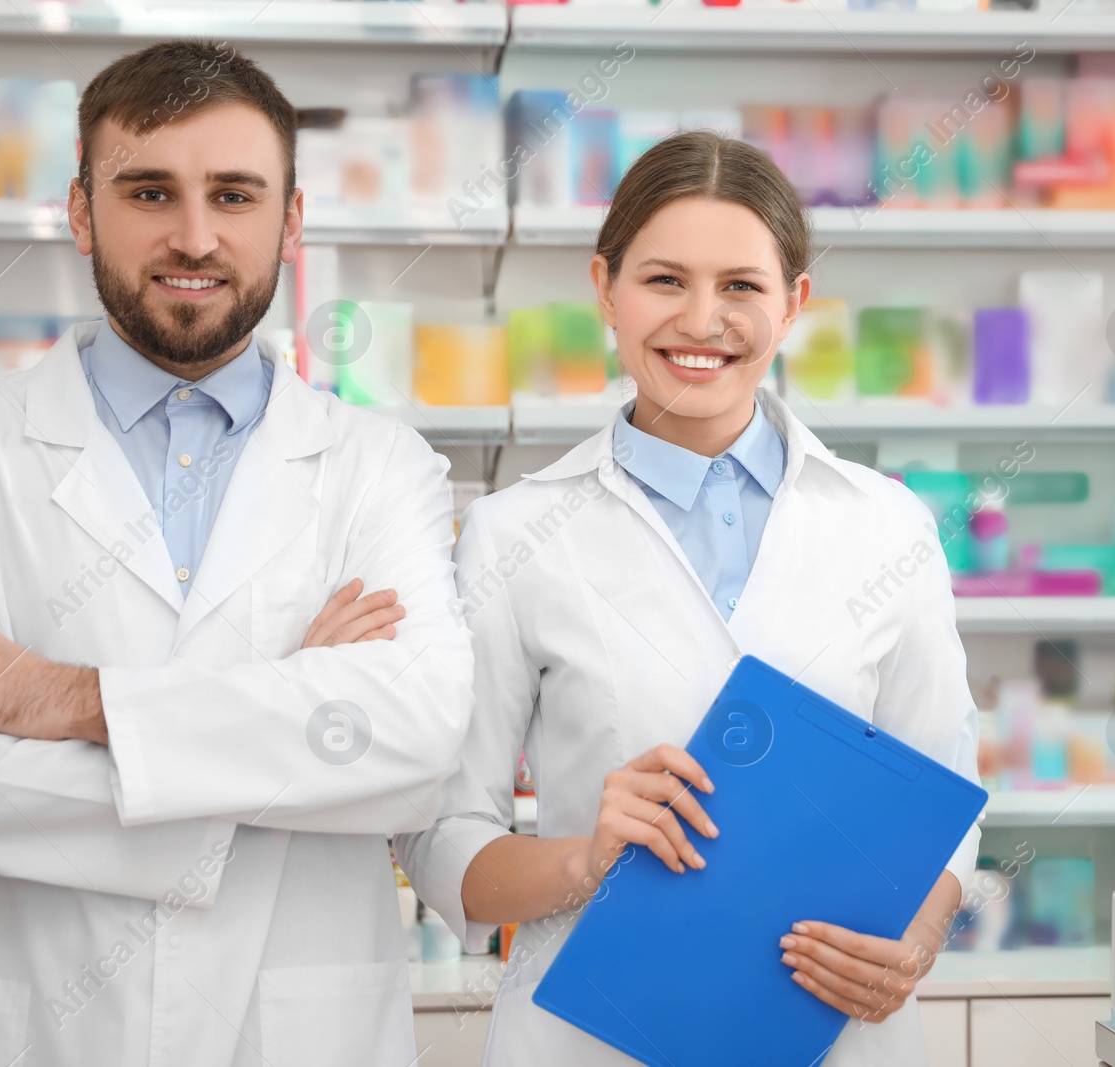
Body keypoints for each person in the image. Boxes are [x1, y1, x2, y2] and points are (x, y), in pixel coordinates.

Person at [0, 40, 472, 1067]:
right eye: (148, 191)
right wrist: (291, 706)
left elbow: (415, 744)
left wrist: (65, 700)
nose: (193, 234)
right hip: (21, 1023)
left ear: (291, 221)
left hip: (297, 1025)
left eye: (233, 194)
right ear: (82, 211)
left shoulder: (379, 465)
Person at [395, 130, 982, 1067]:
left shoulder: (888, 527)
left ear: (793, 303)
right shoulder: (516, 536)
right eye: (665, 280)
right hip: (590, 1036)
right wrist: (586, 858)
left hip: (832, 1031)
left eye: (741, 286)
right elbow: (440, 838)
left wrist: (918, 933)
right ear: (606, 289)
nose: (702, 320)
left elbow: (945, 800)